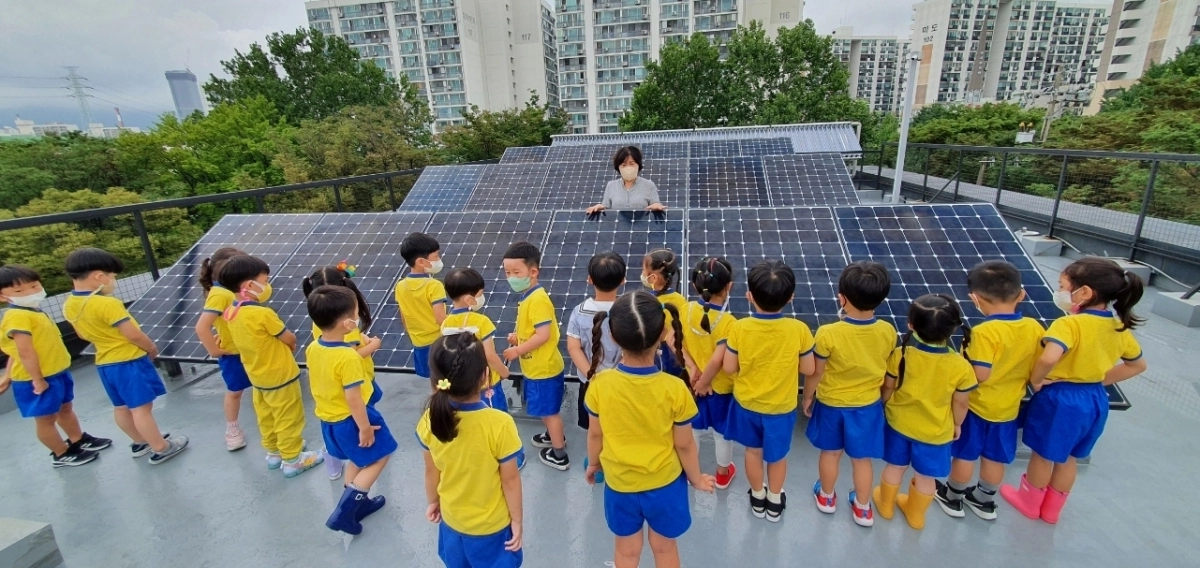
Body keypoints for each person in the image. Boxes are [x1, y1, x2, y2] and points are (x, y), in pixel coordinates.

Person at [1001, 258, 1147, 524]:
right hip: (1093, 399)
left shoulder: (1069, 325)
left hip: (1060, 400)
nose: (1059, 291)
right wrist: (1097, 380)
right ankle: (1052, 510)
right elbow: (1137, 365)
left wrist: (1036, 380)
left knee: (1044, 454)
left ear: (1085, 292)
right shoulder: (1118, 326)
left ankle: (1030, 502)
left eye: (1063, 286)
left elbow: (1048, 358)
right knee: (1069, 456)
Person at [584, 290, 714, 568]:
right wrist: (696, 478)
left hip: (620, 484)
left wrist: (593, 463)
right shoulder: (675, 389)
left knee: (627, 552)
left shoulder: (600, 385)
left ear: (614, 336)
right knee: (665, 551)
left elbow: (595, 434)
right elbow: (685, 444)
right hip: (665, 484)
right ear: (662, 334)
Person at [934, 261, 1043, 521]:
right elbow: (1038, 366)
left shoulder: (983, 332)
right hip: (1008, 408)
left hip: (976, 407)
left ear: (975, 299)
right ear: (1022, 295)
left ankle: (953, 496)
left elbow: (980, 374)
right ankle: (984, 500)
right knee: (994, 457)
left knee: (965, 454)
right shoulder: (1034, 328)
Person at [63, 248, 187, 465]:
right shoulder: (107, 303)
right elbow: (132, 333)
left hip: (105, 363)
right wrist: (151, 348)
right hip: (128, 361)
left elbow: (82, 334)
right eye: (112, 276)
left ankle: (140, 441)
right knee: (141, 408)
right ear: (99, 277)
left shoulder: (70, 303)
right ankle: (161, 447)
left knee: (121, 407)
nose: (113, 281)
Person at [419, 333, 524, 568]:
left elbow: (431, 470)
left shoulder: (428, 419)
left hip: (452, 521)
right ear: (485, 376)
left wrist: (433, 501)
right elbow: (510, 480)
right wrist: (516, 521)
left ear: (436, 380)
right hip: (492, 527)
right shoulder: (499, 423)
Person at [872, 294, 977, 530]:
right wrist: (957, 424)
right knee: (926, 477)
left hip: (898, 424)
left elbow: (888, 386)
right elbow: (961, 403)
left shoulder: (901, 354)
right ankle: (916, 515)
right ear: (951, 330)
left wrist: (884, 404)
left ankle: (885, 504)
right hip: (935, 431)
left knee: (894, 467)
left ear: (911, 325)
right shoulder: (961, 366)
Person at [803, 261, 895, 527]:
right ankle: (863, 508)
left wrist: (808, 397)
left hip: (832, 404)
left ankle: (827, 497)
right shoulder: (887, 331)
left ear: (842, 298)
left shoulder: (828, 333)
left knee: (831, 453)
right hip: (867, 405)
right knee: (862, 459)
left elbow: (816, 373)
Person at [723, 260, 816, 522]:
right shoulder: (798, 330)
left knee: (753, 452)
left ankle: (757, 495)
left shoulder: (740, 328)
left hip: (747, 405)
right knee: (776, 457)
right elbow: (809, 369)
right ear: (791, 297)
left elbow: (730, 367)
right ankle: (775, 501)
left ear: (749, 296)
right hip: (781, 408)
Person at [219, 254, 323, 478]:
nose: (267, 286)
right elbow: (288, 337)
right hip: (280, 376)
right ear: (249, 285)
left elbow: (230, 343)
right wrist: (292, 344)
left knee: (266, 415)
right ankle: (293, 458)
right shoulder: (262, 313)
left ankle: (274, 452)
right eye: (264, 282)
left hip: (257, 376)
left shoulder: (229, 312)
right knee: (288, 416)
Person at [306, 285, 396, 535]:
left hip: (329, 419)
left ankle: (360, 504)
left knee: (358, 460)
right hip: (353, 419)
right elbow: (354, 398)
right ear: (348, 324)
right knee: (381, 455)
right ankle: (345, 512)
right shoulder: (349, 358)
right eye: (356, 314)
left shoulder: (314, 347)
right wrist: (365, 427)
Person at [0, 265, 111, 468]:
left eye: (34, 286)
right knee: (46, 418)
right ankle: (61, 453)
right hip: (36, 379)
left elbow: (13, 351)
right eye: (19, 291)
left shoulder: (32, 311)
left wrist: (7, 375)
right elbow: (24, 351)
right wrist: (37, 379)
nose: (30, 292)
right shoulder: (17, 317)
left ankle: (77, 439)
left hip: (56, 371)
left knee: (65, 408)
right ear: (2, 296)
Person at [303, 264, 383, 481]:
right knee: (369, 444)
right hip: (356, 385)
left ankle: (334, 467)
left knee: (335, 438)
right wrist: (374, 344)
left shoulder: (319, 333)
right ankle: (353, 489)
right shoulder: (346, 337)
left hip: (329, 402)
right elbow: (354, 357)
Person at [501, 241, 569, 471]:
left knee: (549, 412)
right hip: (539, 367)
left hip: (543, 369)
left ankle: (559, 453)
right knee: (545, 409)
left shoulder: (538, 300)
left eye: (516, 272)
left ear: (533, 272)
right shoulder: (529, 296)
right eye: (507, 272)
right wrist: (517, 338)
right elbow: (532, 331)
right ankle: (553, 436)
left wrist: (518, 350)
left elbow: (543, 335)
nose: (511, 277)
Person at [565, 251, 625, 482]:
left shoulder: (579, 312)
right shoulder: (627, 311)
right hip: (622, 383)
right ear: (623, 280)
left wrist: (593, 376)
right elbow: (631, 351)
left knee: (595, 428)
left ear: (590, 279)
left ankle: (595, 465)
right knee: (617, 426)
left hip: (589, 384)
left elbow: (573, 348)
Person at [681, 256, 739, 490]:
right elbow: (718, 358)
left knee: (693, 427)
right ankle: (723, 474)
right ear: (729, 286)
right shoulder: (729, 322)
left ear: (695, 285)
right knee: (721, 433)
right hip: (719, 388)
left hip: (691, 383)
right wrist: (705, 382)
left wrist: (693, 369)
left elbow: (676, 341)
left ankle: (690, 469)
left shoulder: (685, 311)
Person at [194, 247, 252, 452]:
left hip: (249, 349)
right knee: (235, 392)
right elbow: (202, 326)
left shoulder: (231, 290)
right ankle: (232, 430)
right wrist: (215, 350)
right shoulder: (219, 294)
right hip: (234, 354)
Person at [439, 268, 511, 411]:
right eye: (480, 294)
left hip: (462, 385)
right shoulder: (482, 322)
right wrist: (504, 372)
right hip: (487, 385)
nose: (482, 297)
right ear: (469, 299)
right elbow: (489, 355)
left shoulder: (445, 324)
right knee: (495, 421)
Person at [395, 232, 448, 379]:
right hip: (438, 343)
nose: (439, 260)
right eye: (436, 256)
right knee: (446, 379)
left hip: (418, 343)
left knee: (434, 380)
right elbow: (440, 319)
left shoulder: (400, 286)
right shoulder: (433, 285)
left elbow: (403, 316)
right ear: (421, 262)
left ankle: (436, 402)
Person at [641, 249, 686, 377]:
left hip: (656, 358)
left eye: (644, 270)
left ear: (653, 277)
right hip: (678, 355)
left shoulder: (646, 303)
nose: (643, 273)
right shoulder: (681, 300)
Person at [585, 146, 666, 214]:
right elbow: (606, 207)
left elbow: (656, 204)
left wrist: (656, 206)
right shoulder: (611, 186)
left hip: (642, 229)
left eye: (632, 164)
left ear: (638, 165)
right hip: (618, 230)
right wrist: (600, 207)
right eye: (624, 165)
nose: (628, 168)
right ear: (618, 167)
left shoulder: (649, 185)